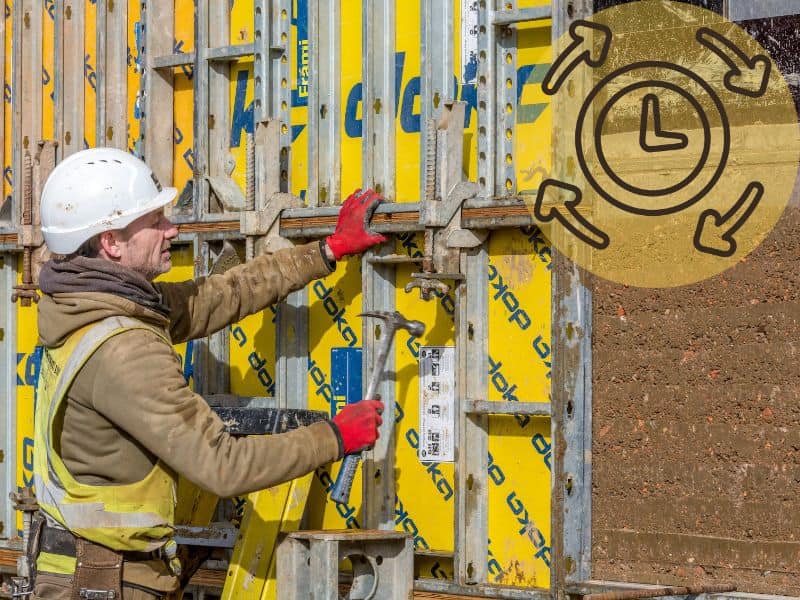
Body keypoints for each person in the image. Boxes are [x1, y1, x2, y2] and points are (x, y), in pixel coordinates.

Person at [30, 147, 386, 599]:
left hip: (88, 571)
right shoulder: (125, 350)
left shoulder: (84, 305)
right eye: (155, 222)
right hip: (105, 581)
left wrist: (325, 251)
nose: (171, 230)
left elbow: (215, 297)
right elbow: (224, 467)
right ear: (111, 242)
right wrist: (333, 437)